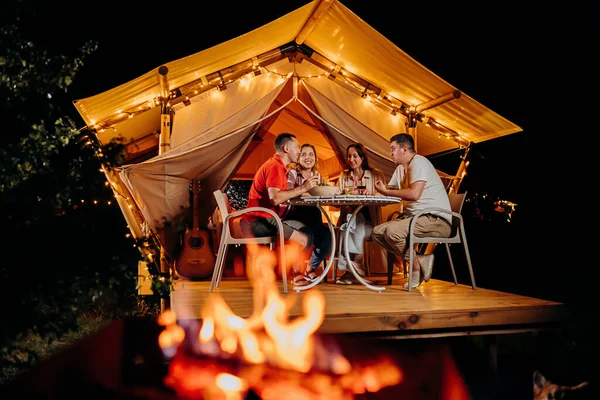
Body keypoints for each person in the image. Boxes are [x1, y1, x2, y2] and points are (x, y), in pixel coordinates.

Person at [371, 133, 452, 289]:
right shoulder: (401, 169)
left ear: (405, 149)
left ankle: (415, 266)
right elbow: (388, 189)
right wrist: (375, 192)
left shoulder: (419, 163)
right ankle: (420, 260)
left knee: (392, 232)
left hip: (436, 220)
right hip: (417, 218)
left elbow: (415, 194)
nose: (391, 153)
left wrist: (386, 192)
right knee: (377, 233)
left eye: (393, 149)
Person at [240, 133, 321, 286]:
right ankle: (293, 274)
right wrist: (304, 187)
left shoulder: (279, 167)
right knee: (302, 238)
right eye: (297, 147)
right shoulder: (275, 167)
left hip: (267, 218)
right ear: (286, 148)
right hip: (258, 221)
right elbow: (275, 198)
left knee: (307, 230)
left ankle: (296, 272)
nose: (299, 151)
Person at [335, 143, 387, 284]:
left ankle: (352, 267)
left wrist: (373, 194)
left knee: (353, 225)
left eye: (355, 156)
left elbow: (385, 197)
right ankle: (354, 267)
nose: (351, 159)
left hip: (371, 226)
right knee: (347, 227)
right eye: (349, 156)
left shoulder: (376, 175)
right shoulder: (344, 176)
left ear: (363, 158)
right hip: (348, 222)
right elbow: (334, 202)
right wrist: (340, 194)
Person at [285, 143, 333, 285]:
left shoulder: (317, 176)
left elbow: (326, 191)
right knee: (307, 235)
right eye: (304, 154)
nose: (308, 157)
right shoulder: (293, 173)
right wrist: (305, 188)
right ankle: (297, 272)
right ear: (298, 158)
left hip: (314, 218)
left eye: (311, 154)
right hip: (295, 217)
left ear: (315, 158)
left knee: (327, 235)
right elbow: (288, 191)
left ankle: (310, 267)